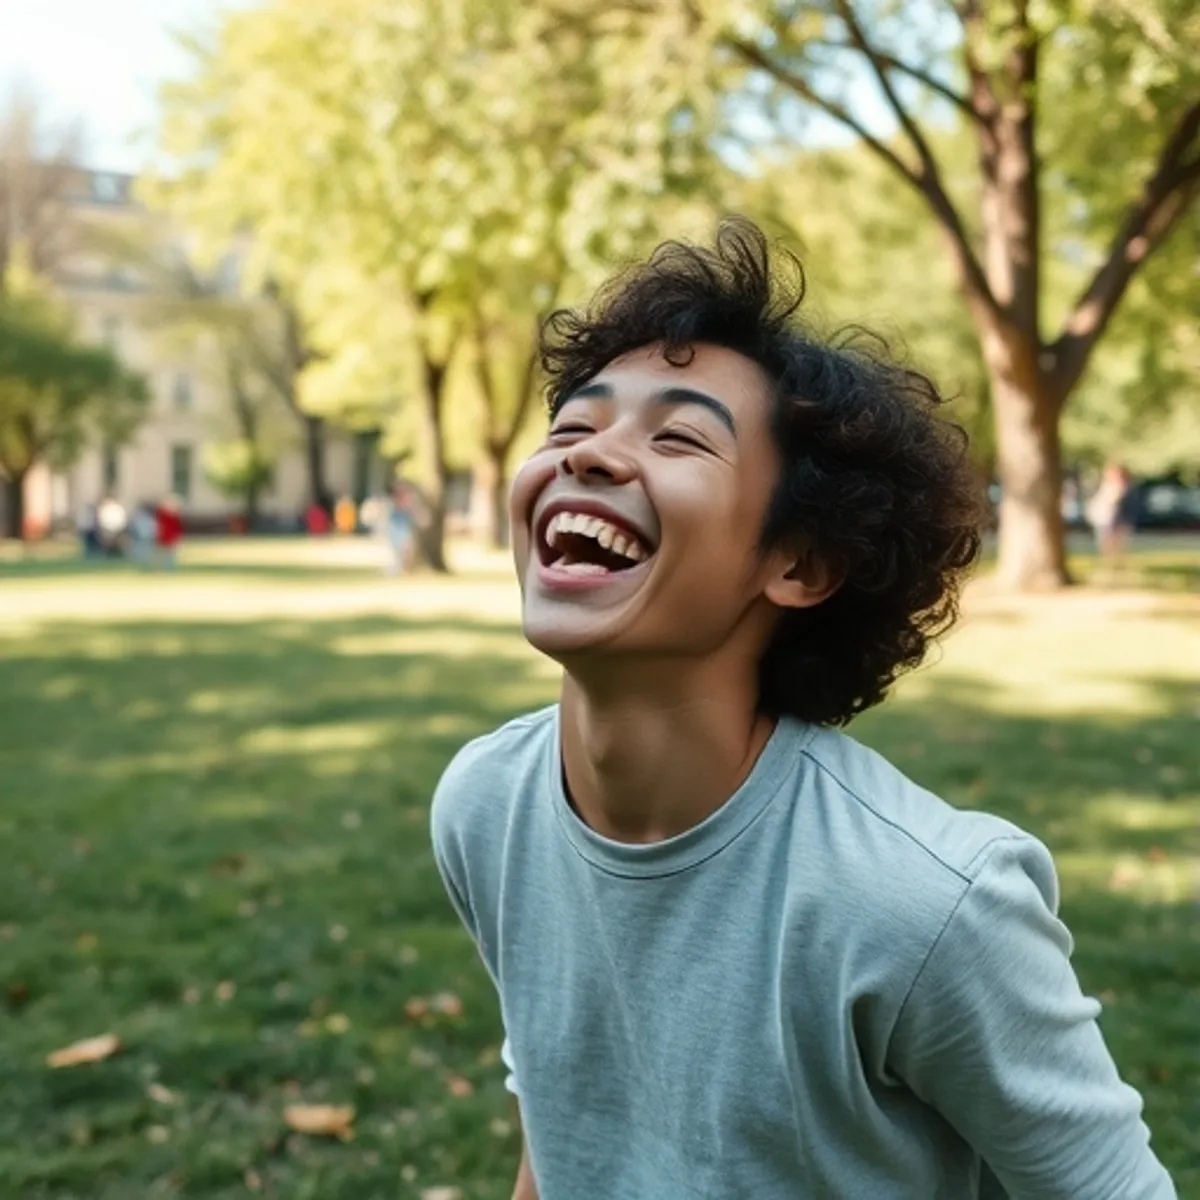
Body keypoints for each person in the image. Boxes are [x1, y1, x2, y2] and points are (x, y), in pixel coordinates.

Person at [430, 221, 1176, 1198]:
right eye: (572, 428)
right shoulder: (485, 806)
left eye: (677, 436)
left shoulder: (922, 908)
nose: (592, 457)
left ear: (802, 564)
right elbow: (561, 1124)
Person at [1087, 461, 1137, 578]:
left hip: (1118, 517)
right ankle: (1109, 564)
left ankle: (1116, 564)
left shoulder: (1124, 488)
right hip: (1105, 517)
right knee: (1106, 541)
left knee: (1118, 541)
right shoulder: (1107, 487)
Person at [384, 482, 416, 576]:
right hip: (396, 528)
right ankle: (397, 569)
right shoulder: (393, 503)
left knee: (405, 550)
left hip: (403, 528)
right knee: (397, 550)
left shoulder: (406, 503)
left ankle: (404, 569)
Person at [154, 496, 183, 567]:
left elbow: (177, 529)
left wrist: (177, 539)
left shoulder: (174, 516)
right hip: (163, 538)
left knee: (170, 556)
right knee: (161, 555)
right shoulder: (162, 515)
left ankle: (169, 566)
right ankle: (161, 566)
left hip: (171, 538)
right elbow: (159, 527)